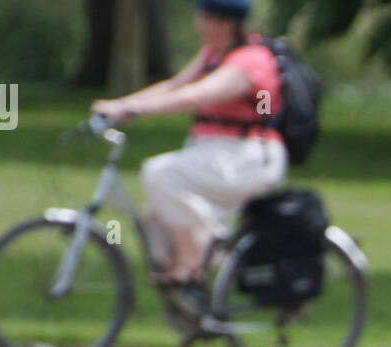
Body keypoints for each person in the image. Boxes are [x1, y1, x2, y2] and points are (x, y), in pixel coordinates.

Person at [90, 0, 286, 285]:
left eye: (205, 19)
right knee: (156, 215)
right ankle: (191, 295)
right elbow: (175, 86)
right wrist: (123, 104)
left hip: (248, 158)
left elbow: (198, 95)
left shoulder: (251, 60)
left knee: (159, 174)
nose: (199, 27)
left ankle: (193, 263)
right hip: (221, 156)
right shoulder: (214, 55)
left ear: (226, 22)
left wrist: (135, 109)